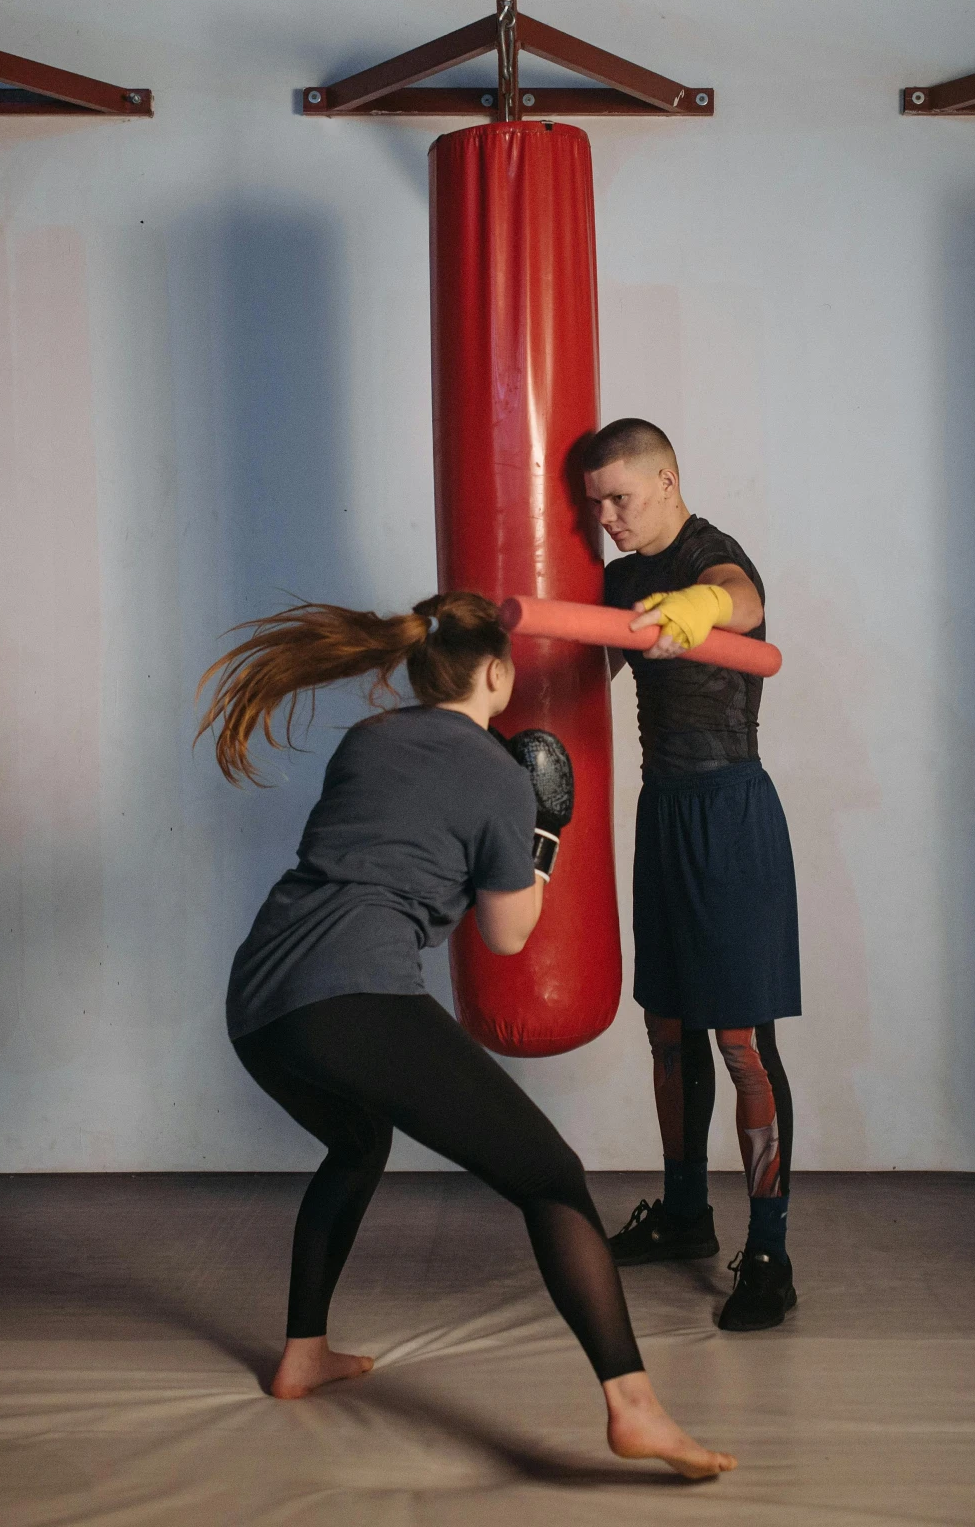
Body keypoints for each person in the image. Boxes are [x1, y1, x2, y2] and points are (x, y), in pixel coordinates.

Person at [198, 590, 736, 1480]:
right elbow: (508, 934)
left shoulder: (366, 741)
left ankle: (303, 1354)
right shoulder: (496, 777)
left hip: (260, 1001)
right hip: (354, 996)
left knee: (355, 1141)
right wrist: (544, 831)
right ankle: (633, 1407)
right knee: (554, 1181)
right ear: (496, 671)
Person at [581, 418, 803, 1333]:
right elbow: (581, 669)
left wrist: (702, 610)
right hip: (661, 810)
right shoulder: (618, 575)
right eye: (594, 503)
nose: (607, 518)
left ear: (666, 480)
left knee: (739, 1039)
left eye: (620, 499)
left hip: (730, 813)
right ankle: (682, 1213)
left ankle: (769, 1252)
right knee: (666, 1025)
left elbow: (740, 598)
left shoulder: (712, 554)